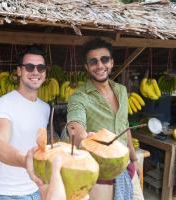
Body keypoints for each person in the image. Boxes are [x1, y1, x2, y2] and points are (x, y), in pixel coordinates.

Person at [66, 38, 144, 200]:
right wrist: (82, 138)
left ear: (112, 62)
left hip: (126, 166)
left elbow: (125, 125)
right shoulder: (79, 97)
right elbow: (75, 125)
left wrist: (134, 158)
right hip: (99, 171)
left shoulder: (121, 91)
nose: (100, 65)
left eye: (104, 59)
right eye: (93, 62)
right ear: (87, 67)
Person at [0, 45, 50, 199]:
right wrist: (25, 162)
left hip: (37, 188)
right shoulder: (3, 104)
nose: (35, 72)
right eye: (29, 67)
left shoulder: (45, 108)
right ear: (19, 71)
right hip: (10, 193)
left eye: (41, 67)